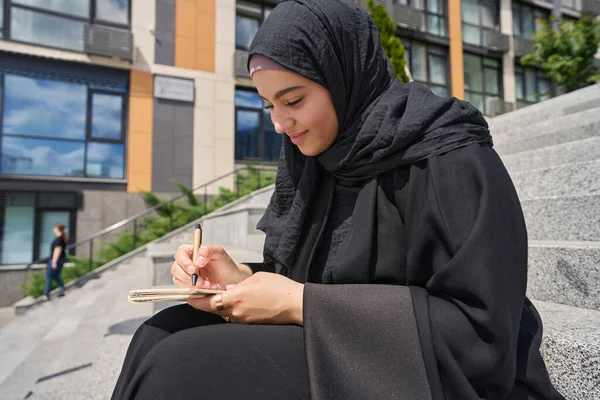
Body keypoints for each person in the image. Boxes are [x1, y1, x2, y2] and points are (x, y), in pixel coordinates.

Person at [112, 1, 564, 399]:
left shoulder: (451, 156)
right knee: (159, 333)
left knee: (182, 366)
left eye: (293, 100)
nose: (279, 124)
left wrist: (300, 303)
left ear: (344, 75)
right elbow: (319, 278)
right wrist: (238, 281)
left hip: (428, 369)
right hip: (341, 342)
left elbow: (481, 336)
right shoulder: (320, 160)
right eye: (269, 105)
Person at [43, 222, 68, 301]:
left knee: (49, 276)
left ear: (58, 229)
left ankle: (46, 295)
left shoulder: (59, 239)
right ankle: (64, 290)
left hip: (57, 260)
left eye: (54, 227)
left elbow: (57, 250)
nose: (53, 229)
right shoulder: (62, 238)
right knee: (56, 276)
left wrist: (54, 261)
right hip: (61, 260)